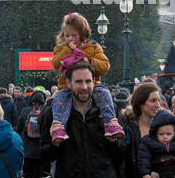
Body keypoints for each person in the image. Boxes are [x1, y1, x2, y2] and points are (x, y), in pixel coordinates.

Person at [48, 12, 123, 142]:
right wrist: (68, 50)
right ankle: (58, 128)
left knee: (105, 94)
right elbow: (55, 63)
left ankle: (111, 123)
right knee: (59, 99)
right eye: (67, 36)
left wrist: (88, 60)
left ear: (82, 35)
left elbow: (105, 66)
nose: (70, 39)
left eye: (74, 36)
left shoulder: (93, 47)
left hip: (93, 87)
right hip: (66, 87)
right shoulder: (61, 48)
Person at [16, 90, 48, 178]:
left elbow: (19, 127)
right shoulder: (46, 111)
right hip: (40, 145)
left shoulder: (25, 111)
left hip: (27, 145)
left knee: (28, 165)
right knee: (38, 166)